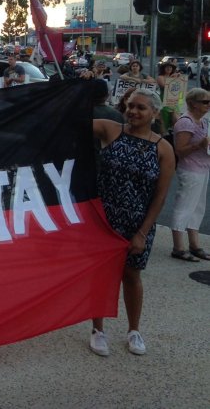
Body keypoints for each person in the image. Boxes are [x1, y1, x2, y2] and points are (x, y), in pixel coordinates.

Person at [90, 88, 175, 357]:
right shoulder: (110, 129)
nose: (133, 111)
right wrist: (74, 91)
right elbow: (68, 122)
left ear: (154, 113)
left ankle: (134, 330)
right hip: (104, 219)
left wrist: (142, 232)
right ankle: (97, 329)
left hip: (138, 223)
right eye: (130, 106)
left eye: (141, 108)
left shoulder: (163, 148)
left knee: (132, 276)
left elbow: (160, 197)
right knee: (101, 276)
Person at [169, 88, 210, 262]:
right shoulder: (185, 122)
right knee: (184, 205)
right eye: (205, 102)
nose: (208, 105)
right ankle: (178, 246)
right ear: (193, 103)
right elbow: (180, 151)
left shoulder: (204, 122)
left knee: (198, 207)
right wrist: (198, 146)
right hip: (190, 169)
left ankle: (194, 244)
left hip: (203, 168)